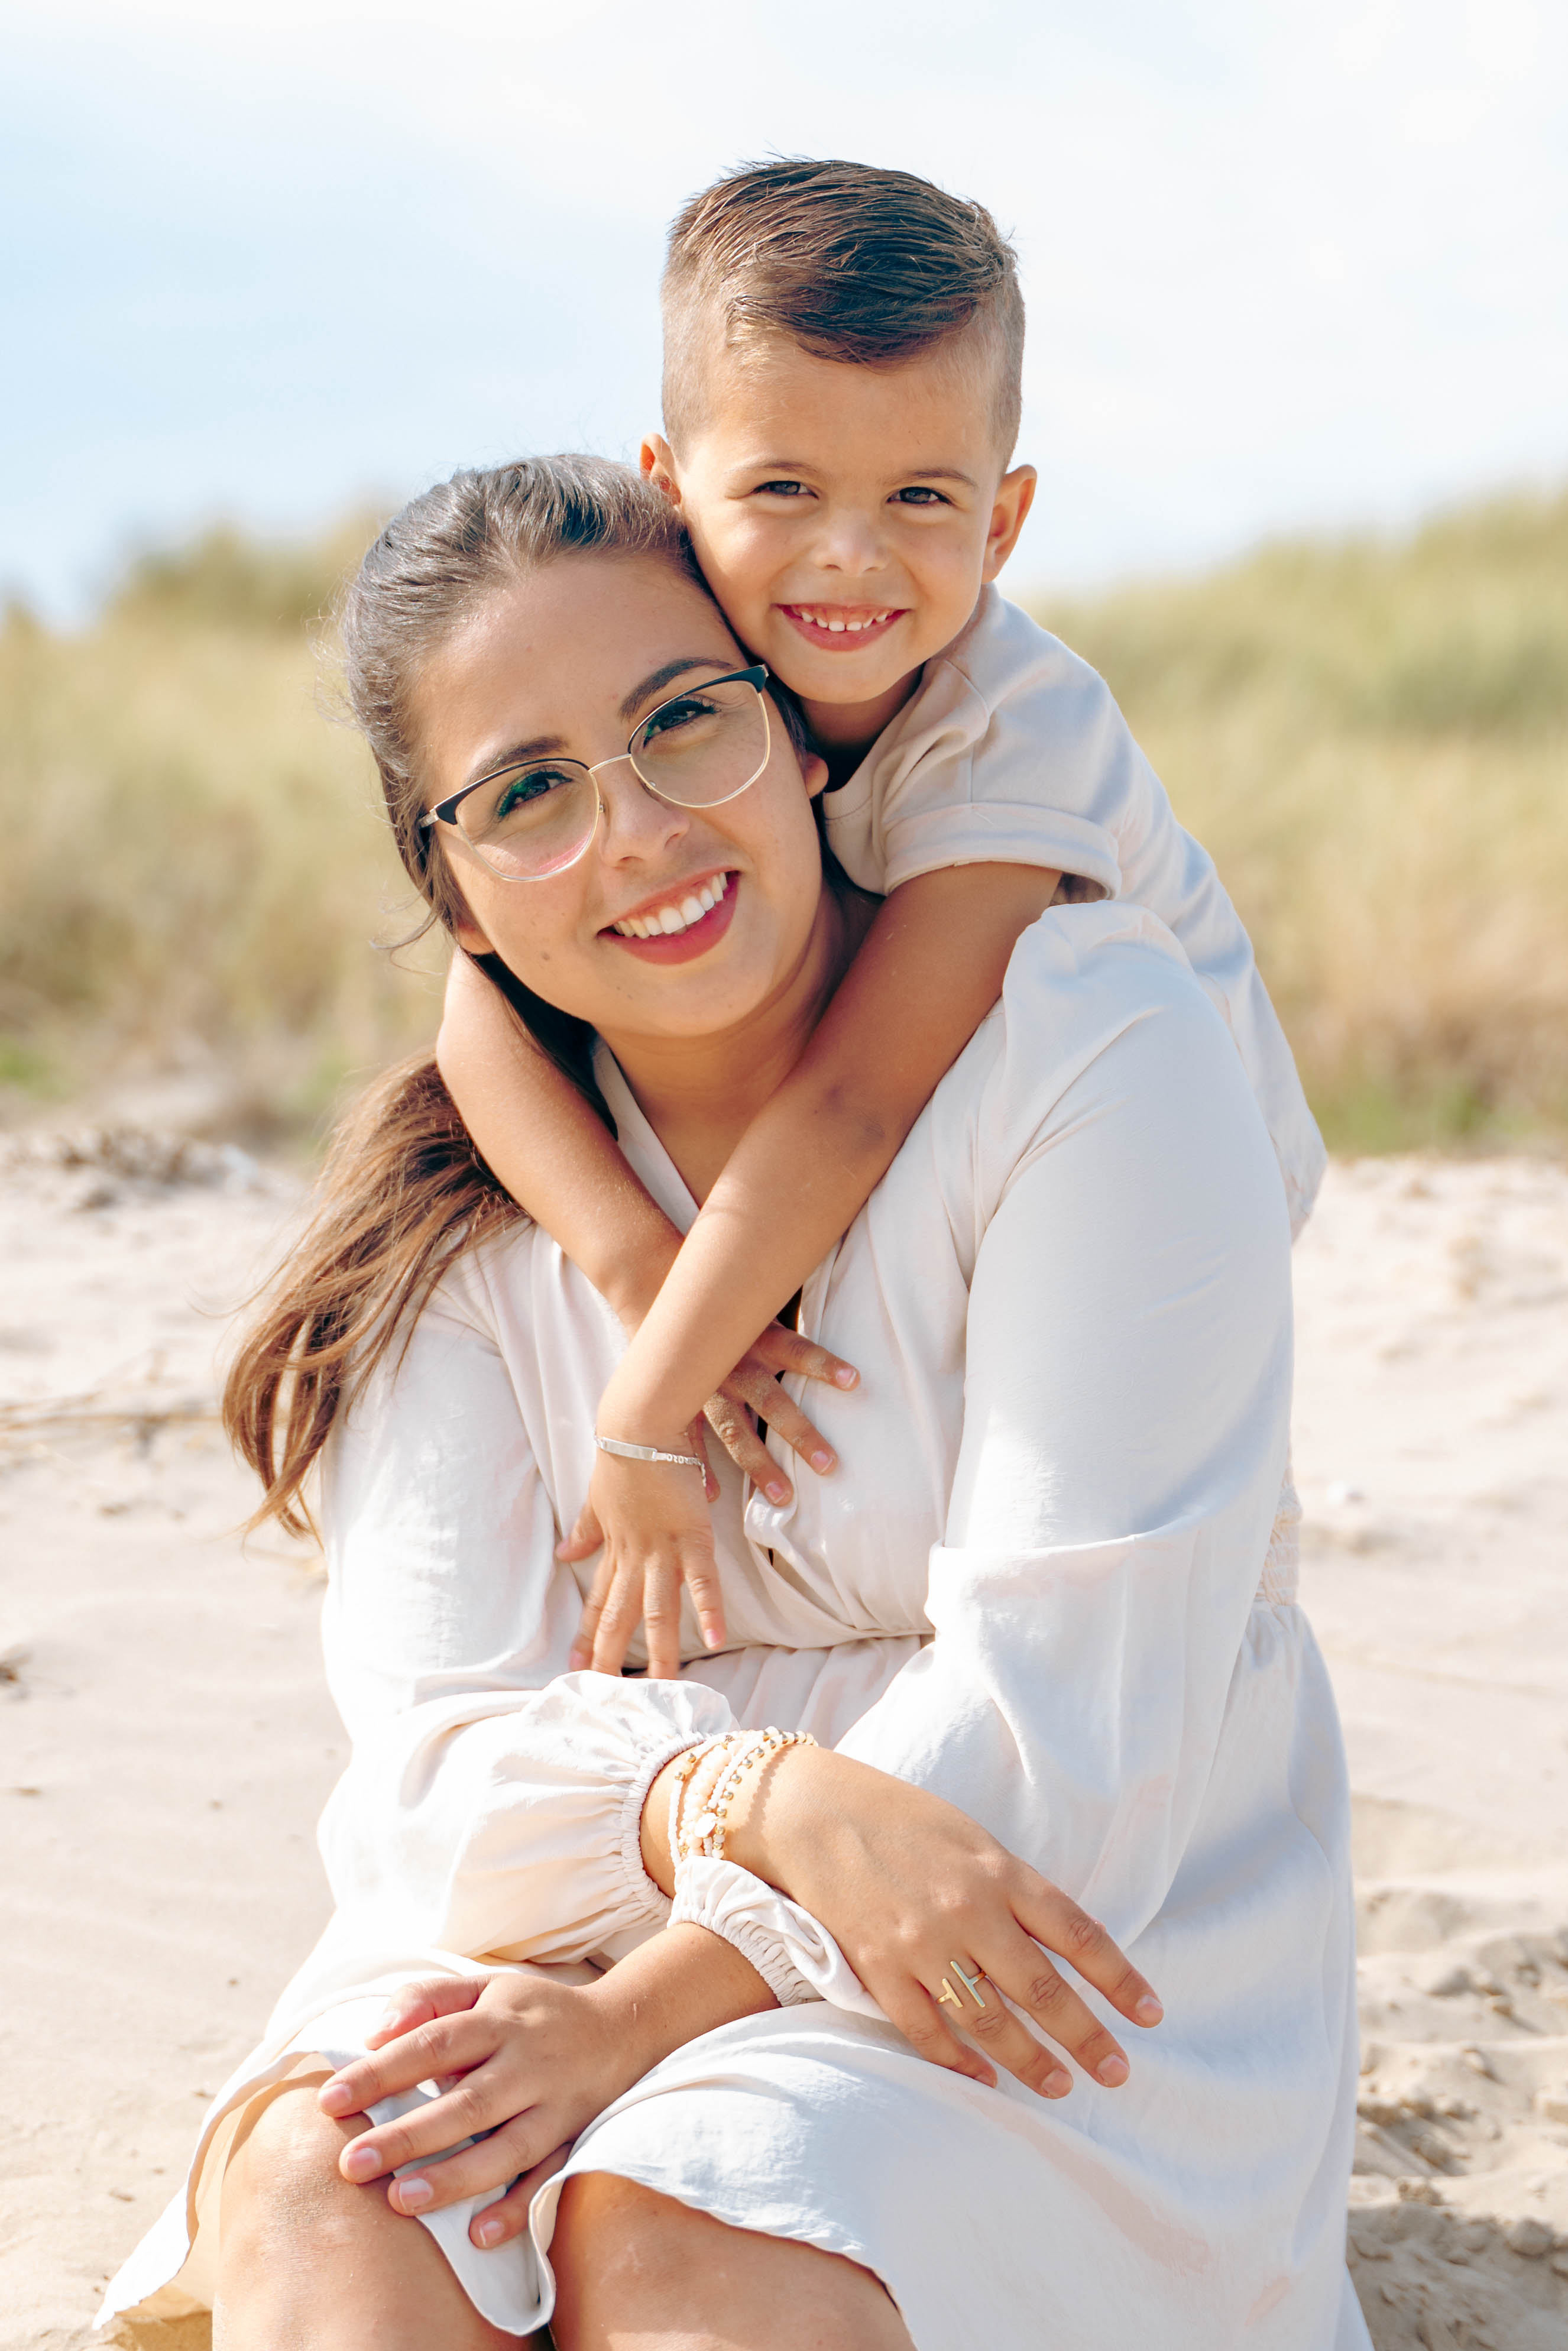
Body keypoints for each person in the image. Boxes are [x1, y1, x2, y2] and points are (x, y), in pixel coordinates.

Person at [101, 455, 1366, 2351]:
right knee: (327, 2172)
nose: (635, 834)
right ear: (449, 889)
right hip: (555, 1940)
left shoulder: (1091, 1041)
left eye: (684, 720)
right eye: (528, 793)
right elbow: (432, 1798)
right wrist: (746, 1793)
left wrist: (658, 1998)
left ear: (797, 727)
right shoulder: (453, 1227)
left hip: (1046, 1937)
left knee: (687, 2206)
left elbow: (1076, 1725)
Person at [434, 158, 1327, 1676]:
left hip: (1161, 1180)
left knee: (1074, 1566)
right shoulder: (699, 666)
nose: (849, 556)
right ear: (671, 486)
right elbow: (477, 1012)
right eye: (784, 489)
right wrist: (646, 1273)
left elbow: (856, 1098)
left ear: (1006, 520)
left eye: (922, 497)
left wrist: (650, 1406)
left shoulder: (1017, 731)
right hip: (941, 1139)